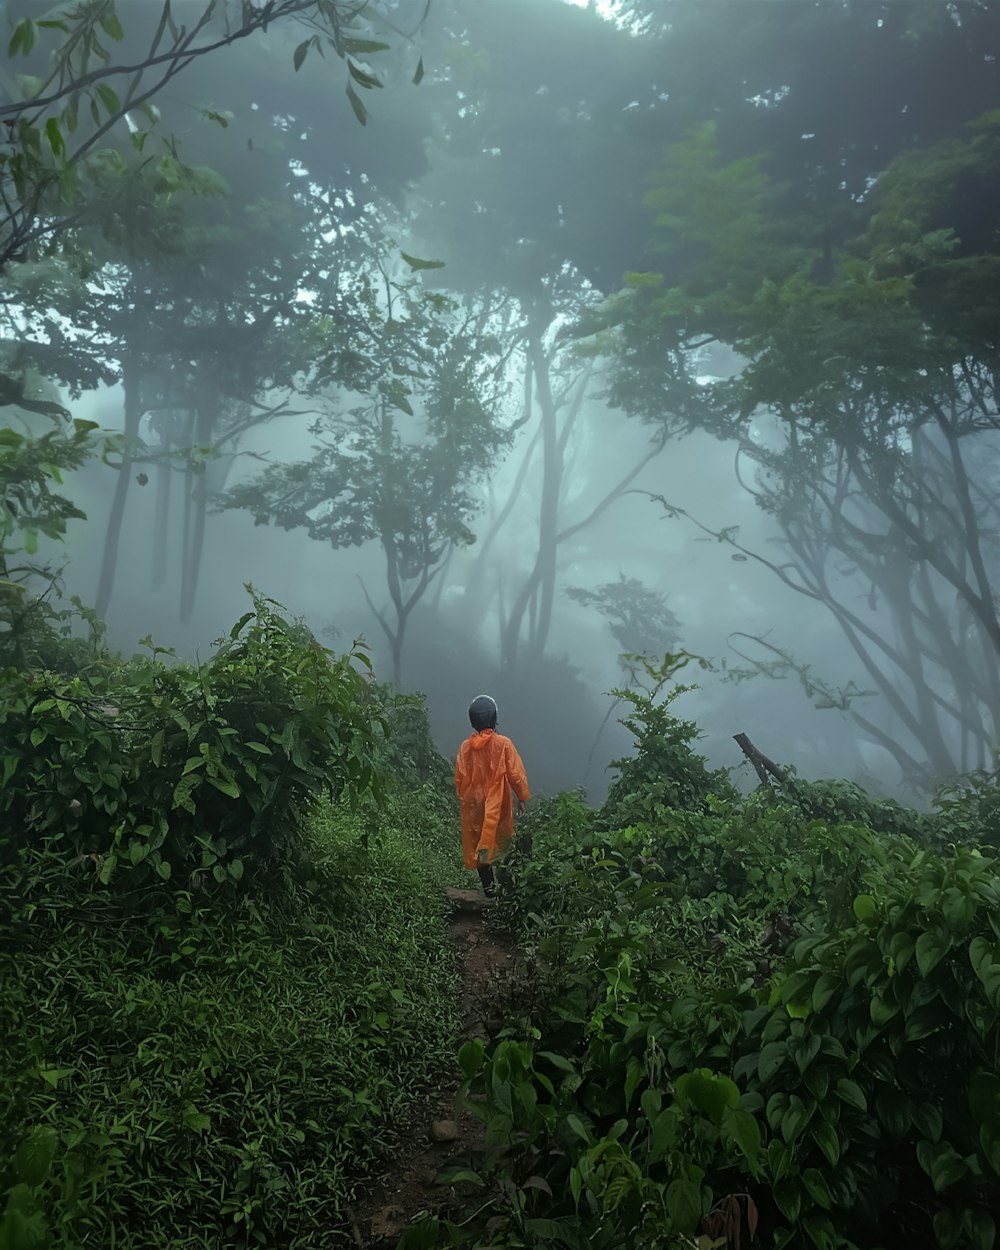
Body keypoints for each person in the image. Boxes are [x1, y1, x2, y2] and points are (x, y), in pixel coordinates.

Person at [454, 694, 530, 896]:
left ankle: (488, 889)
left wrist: (467, 801)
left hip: (475, 803)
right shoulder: (503, 743)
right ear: (494, 717)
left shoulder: (465, 747)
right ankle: (506, 888)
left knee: (481, 841)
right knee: (502, 839)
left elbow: (459, 778)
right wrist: (521, 798)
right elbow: (516, 773)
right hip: (498, 802)